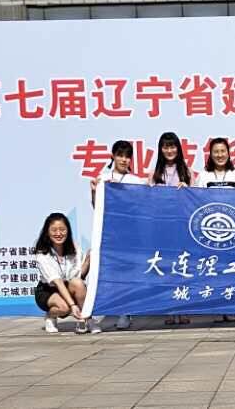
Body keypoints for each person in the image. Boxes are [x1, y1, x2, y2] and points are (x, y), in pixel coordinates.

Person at [90, 140, 145, 331]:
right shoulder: (103, 178)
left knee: (128, 274)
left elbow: (143, 206)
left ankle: (125, 312)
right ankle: (98, 311)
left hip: (130, 235)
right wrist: (95, 191)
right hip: (109, 235)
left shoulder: (136, 181)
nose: (123, 159)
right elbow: (97, 207)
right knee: (108, 273)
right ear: (112, 156)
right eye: (120, 155)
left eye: (127, 156)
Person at [198, 137, 235, 323]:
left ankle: (231, 307)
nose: (219, 155)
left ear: (229, 153)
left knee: (231, 269)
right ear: (210, 154)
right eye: (216, 152)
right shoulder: (203, 176)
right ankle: (217, 307)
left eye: (223, 151)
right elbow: (196, 201)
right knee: (214, 269)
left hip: (234, 231)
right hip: (209, 230)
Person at [149, 132, 194, 325]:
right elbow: (147, 200)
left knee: (183, 266)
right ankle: (169, 309)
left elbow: (195, 200)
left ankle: (183, 308)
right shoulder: (154, 173)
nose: (169, 150)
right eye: (166, 147)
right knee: (166, 268)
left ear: (178, 148)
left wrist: (187, 189)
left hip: (182, 227)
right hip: (162, 228)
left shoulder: (187, 171)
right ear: (161, 149)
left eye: (173, 146)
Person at [33, 212, 101, 334]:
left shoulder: (74, 248)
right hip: (48, 290)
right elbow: (58, 282)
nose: (58, 233)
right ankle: (50, 316)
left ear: (68, 231)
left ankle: (87, 319)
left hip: (68, 285)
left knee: (78, 283)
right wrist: (73, 305)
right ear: (47, 232)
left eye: (62, 229)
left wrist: (88, 260)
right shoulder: (42, 253)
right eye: (54, 230)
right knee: (64, 308)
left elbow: (79, 276)